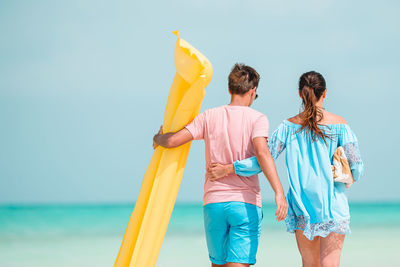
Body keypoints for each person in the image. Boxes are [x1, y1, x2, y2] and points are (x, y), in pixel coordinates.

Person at [208, 71, 364, 267]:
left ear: (300, 94)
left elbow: (263, 160)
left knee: (309, 263)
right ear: (324, 93)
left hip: (302, 206)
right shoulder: (341, 126)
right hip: (333, 207)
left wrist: (230, 169)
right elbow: (356, 167)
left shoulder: (288, 128)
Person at [153, 63, 288, 267]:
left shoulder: (209, 116)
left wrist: (158, 138)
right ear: (253, 92)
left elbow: (173, 141)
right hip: (245, 203)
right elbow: (262, 153)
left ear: (229, 89)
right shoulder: (258, 119)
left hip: (214, 203)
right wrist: (279, 192)